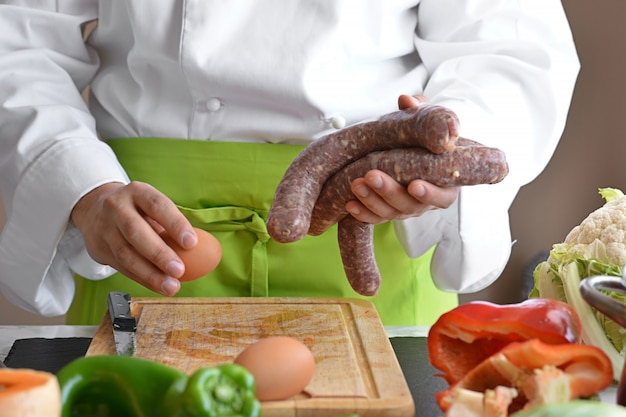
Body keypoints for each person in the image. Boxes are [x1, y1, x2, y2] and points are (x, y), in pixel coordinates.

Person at [0, 1, 579, 327]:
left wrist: (440, 160)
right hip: (141, 235)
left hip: (378, 215)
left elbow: (511, 46)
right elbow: (17, 36)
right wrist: (80, 184)